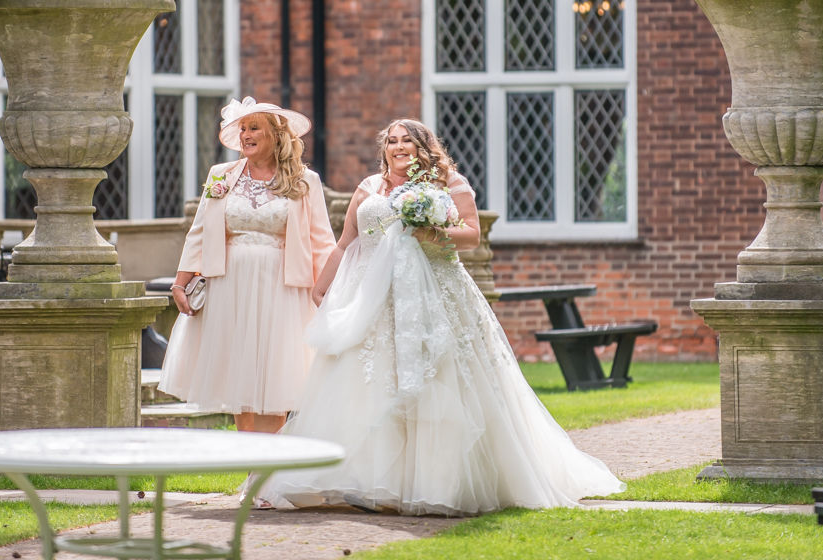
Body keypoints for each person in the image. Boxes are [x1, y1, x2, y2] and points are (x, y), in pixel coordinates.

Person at [261, 118, 624, 515]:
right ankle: (368, 481)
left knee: (438, 376)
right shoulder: (368, 188)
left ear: (424, 147)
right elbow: (347, 242)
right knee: (368, 380)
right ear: (384, 149)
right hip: (373, 299)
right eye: (392, 141)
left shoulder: (448, 183)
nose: (399, 147)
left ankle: (434, 480)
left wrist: (432, 232)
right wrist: (322, 285)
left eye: (408, 141)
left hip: (435, 293)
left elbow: (471, 235)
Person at [158, 96, 336, 435]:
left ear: (276, 135)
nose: (246, 135)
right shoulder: (221, 176)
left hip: (282, 288)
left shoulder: (304, 180)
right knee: (240, 382)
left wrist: (330, 289)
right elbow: (199, 232)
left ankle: (268, 476)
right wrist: (180, 282)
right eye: (242, 128)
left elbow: (322, 240)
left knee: (275, 381)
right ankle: (251, 472)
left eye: (254, 127)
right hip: (230, 285)